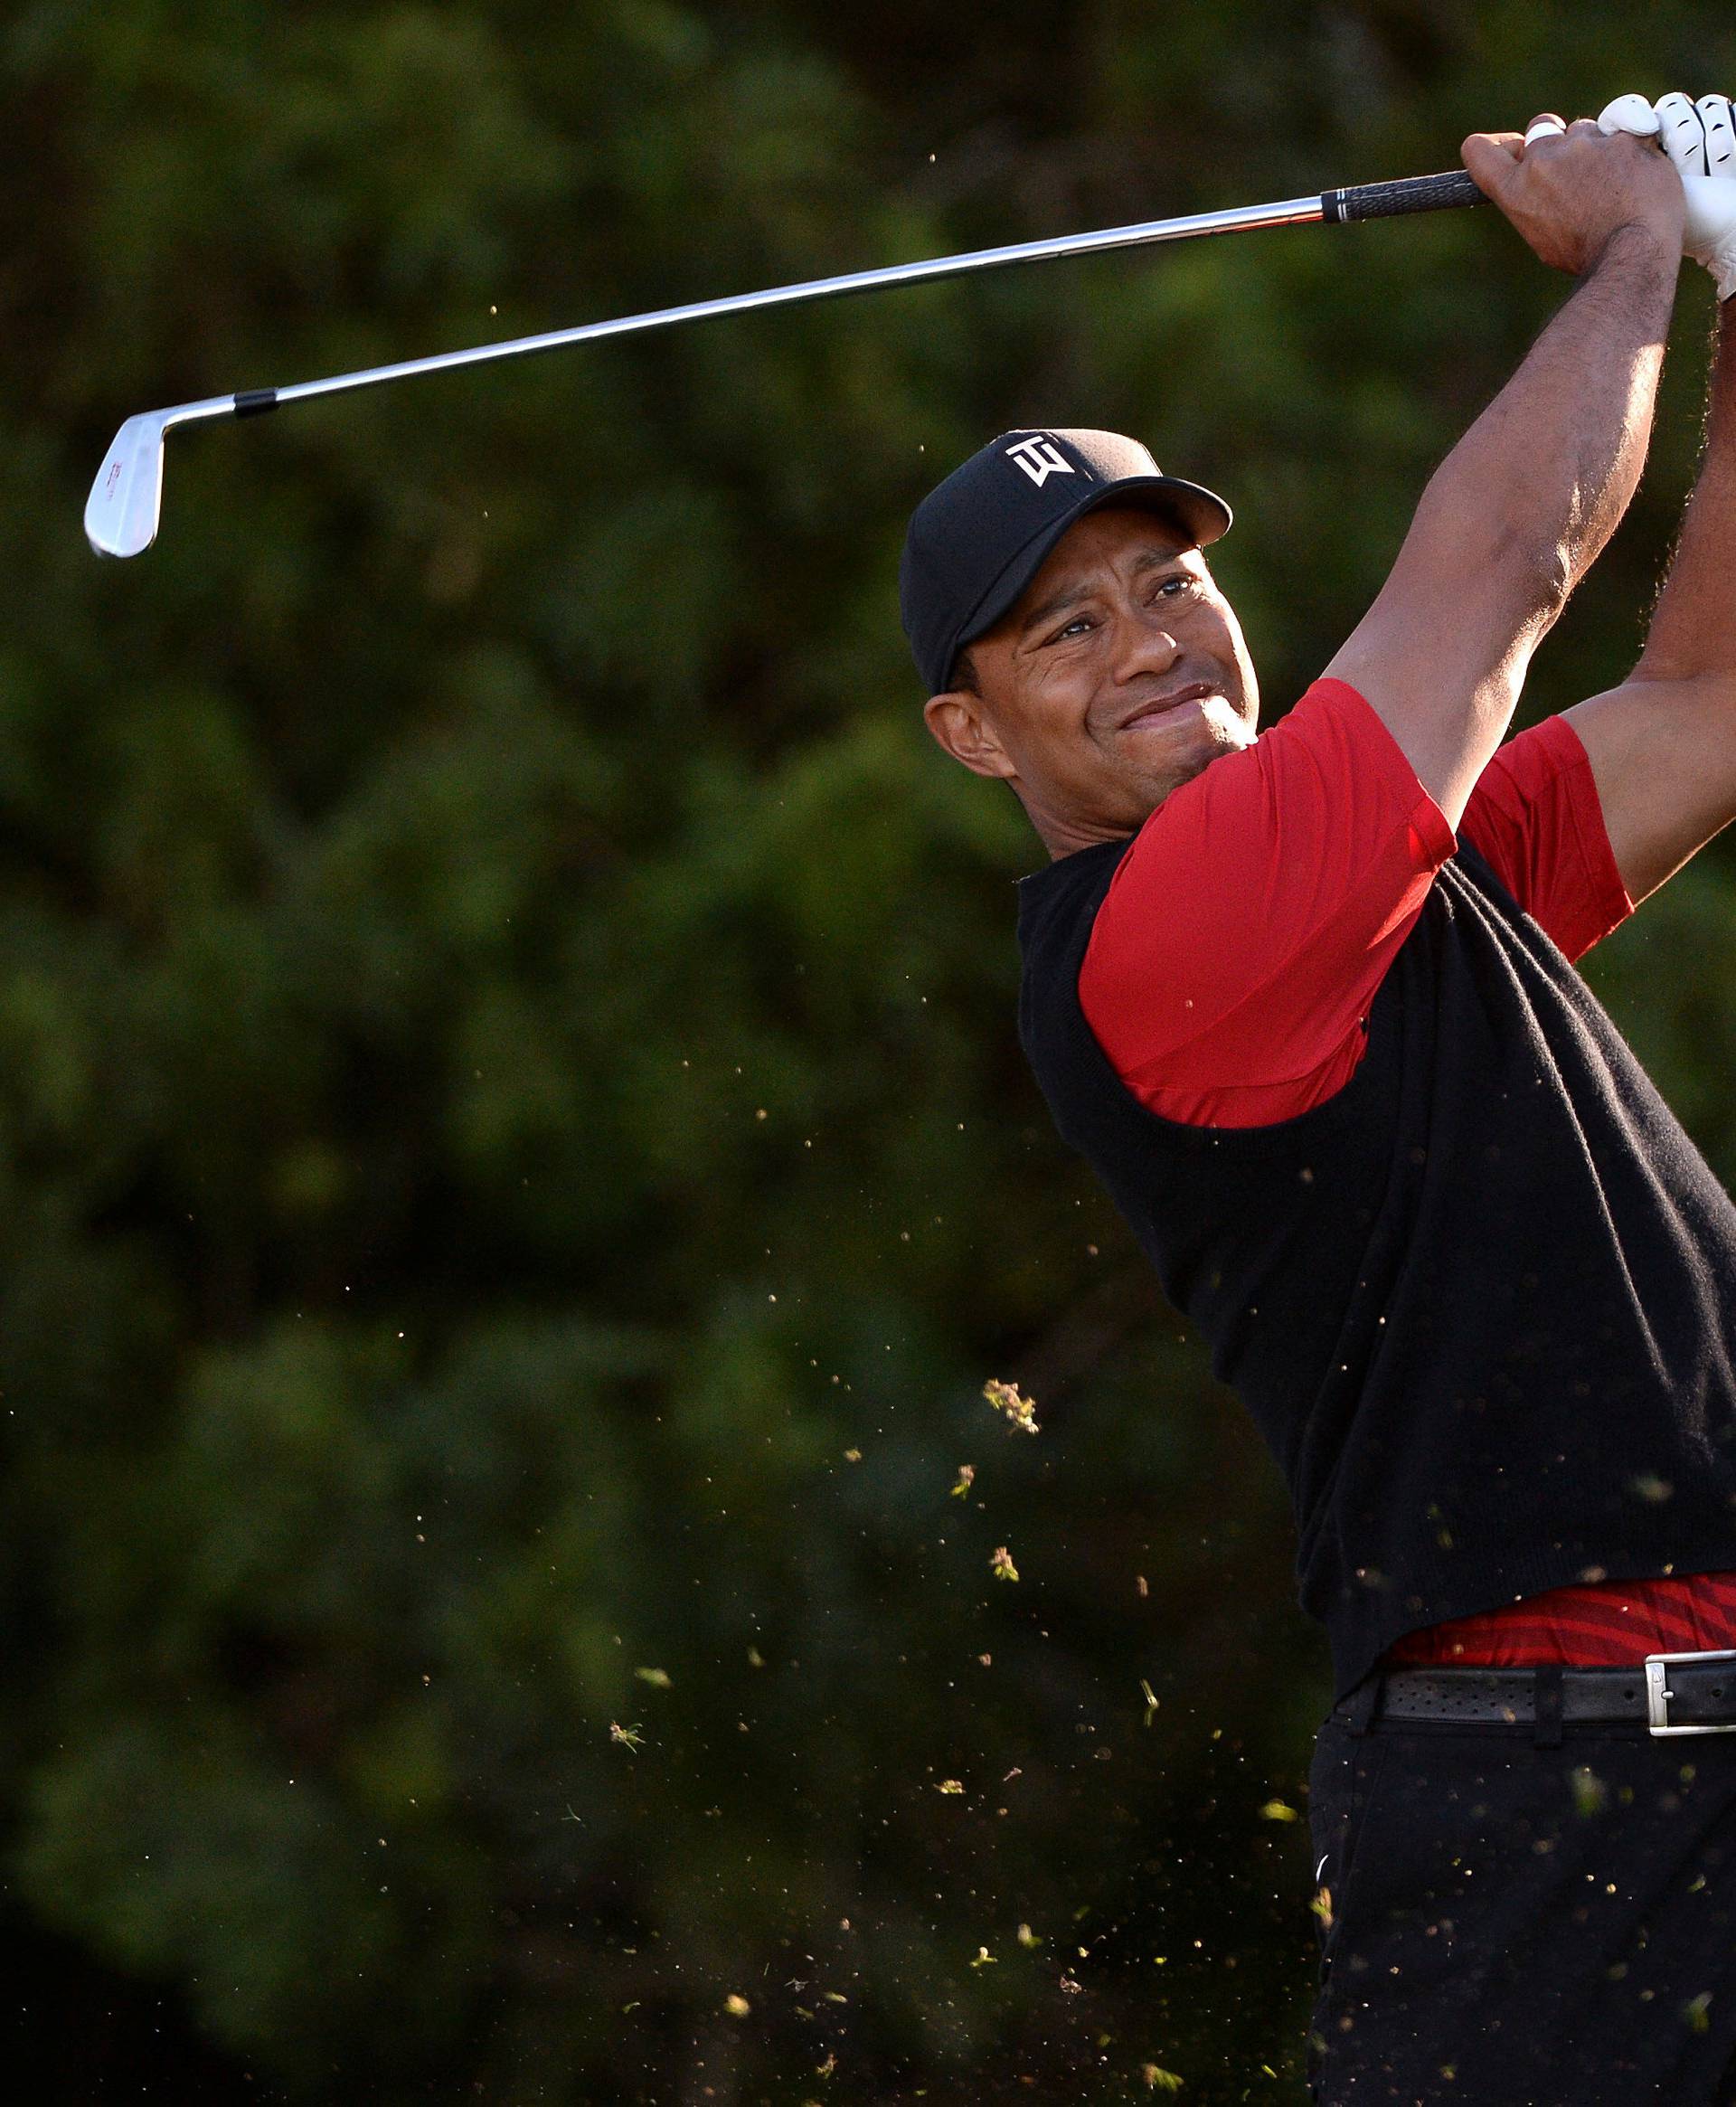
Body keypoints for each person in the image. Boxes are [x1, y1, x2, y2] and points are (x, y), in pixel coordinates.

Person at [899, 93, 1736, 2106]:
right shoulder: (1169, 933)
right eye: (1065, 628)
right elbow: (1510, 559)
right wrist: (1638, 243)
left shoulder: (1396, 879)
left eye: (1169, 585)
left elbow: (1713, 699)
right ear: (970, 729)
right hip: (1563, 1808)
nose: (1154, 642)